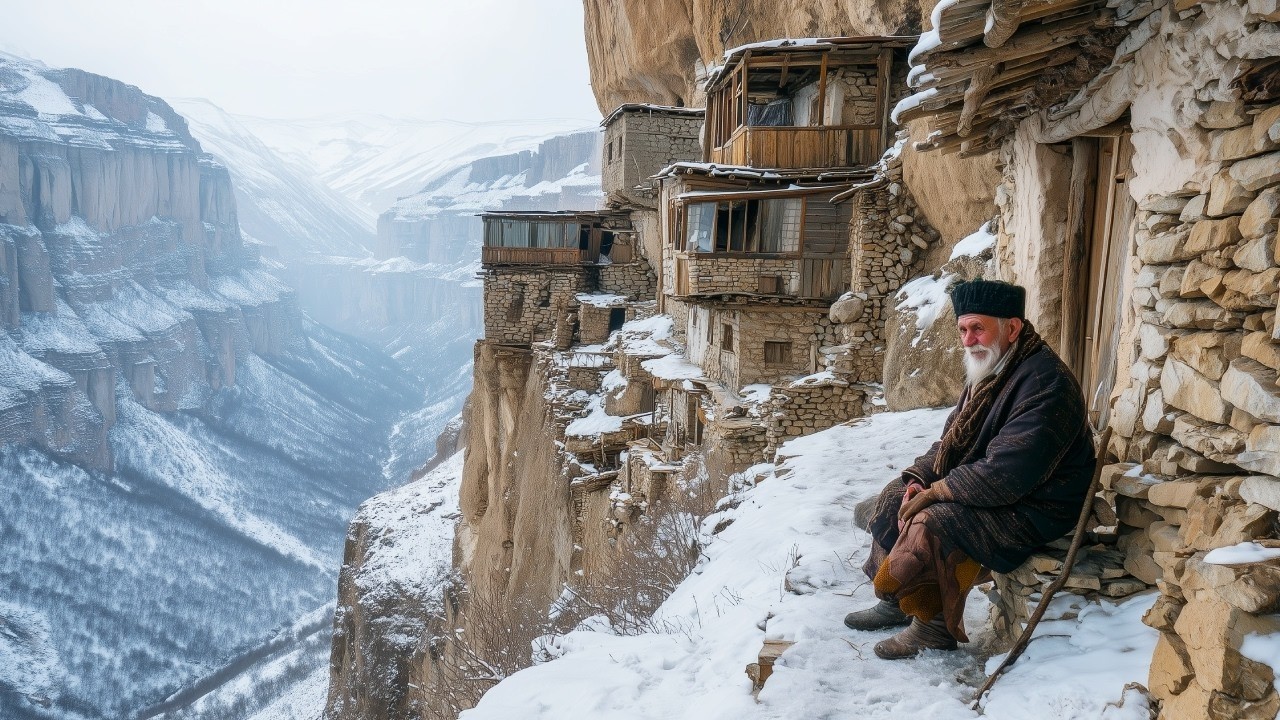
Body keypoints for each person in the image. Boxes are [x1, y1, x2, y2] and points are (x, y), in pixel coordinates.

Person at [844, 278, 1096, 659]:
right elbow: (950, 444)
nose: (968, 339)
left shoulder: (1046, 383)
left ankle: (933, 627)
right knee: (897, 494)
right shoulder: (995, 368)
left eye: (978, 328)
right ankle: (900, 602)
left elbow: (1008, 472)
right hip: (997, 487)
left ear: (1012, 328)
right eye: (963, 329)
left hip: (1039, 504)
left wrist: (938, 491)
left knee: (933, 520)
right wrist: (919, 480)